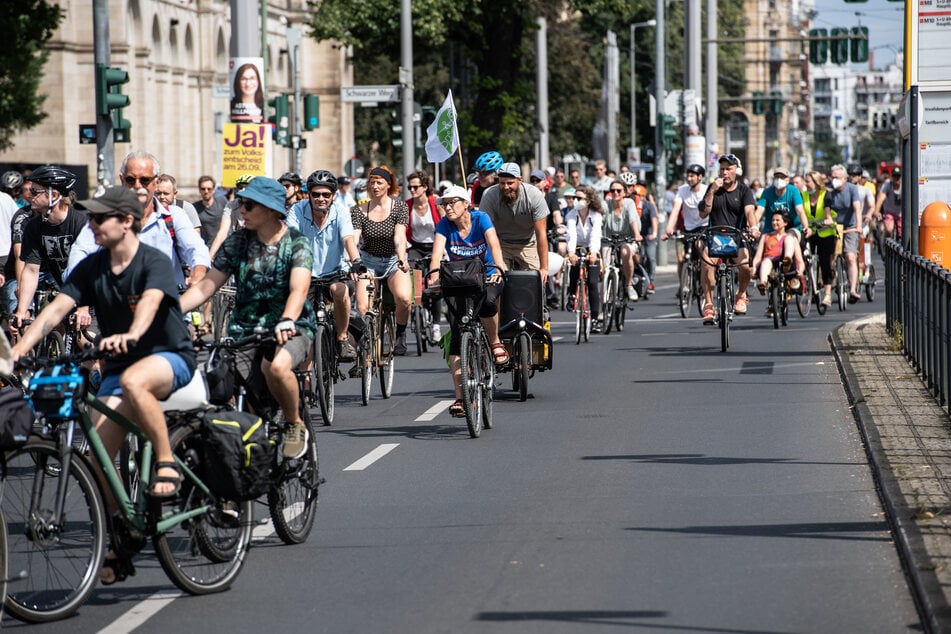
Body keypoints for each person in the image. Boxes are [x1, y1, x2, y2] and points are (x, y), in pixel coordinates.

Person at [10, 186, 199, 585]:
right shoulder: (93, 266)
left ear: (126, 221)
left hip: (167, 357)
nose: (90, 224)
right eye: (90, 218)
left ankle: (165, 460)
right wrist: (17, 351)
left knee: (134, 380)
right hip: (120, 366)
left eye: (99, 218)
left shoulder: (153, 261)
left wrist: (131, 333)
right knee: (97, 460)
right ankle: (123, 533)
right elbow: (56, 309)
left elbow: (150, 302)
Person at [181, 176, 316, 459]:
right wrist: (167, 313)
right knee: (223, 387)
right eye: (241, 203)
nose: (242, 209)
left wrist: (287, 319)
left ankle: (294, 423)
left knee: (276, 367)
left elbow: (299, 288)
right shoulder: (238, 242)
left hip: (292, 327)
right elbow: (207, 286)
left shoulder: (296, 242)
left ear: (270, 209)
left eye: (249, 204)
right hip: (244, 329)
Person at [66, 152, 210, 291]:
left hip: (167, 307)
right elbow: (81, 251)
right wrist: (78, 286)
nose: (137, 185)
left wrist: (198, 272)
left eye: (145, 180)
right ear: (122, 180)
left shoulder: (174, 216)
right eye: (130, 180)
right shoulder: (104, 217)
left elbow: (196, 248)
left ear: (156, 182)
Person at [426, 185, 507, 418]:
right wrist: (433, 274)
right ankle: (460, 397)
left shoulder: (481, 218)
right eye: (444, 203)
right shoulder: (444, 225)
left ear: (466, 204)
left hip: (487, 273)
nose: (448, 207)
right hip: (458, 278)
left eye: (453, 202)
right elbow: (436, 252)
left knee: (489, 303)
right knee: (457, 333)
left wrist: (499, 268)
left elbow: (494, 245)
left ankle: (494, 342)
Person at [286, 169, 363, 362]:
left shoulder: (341, 212)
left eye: (326, 195)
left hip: (334, 272)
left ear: (333, 196)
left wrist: (356, 261)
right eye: (316, 194)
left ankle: (342, 337)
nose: (321, 198)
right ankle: (306, 382)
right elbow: (292, 238)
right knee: (305, 331)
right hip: (305, 274)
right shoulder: (297, 210)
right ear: (309, 194)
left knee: (340, 291)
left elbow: (348, 239)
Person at [13, 165, 91, 335]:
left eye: (35, 192)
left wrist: (84, 308)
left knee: (86, 345)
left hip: (92, 295)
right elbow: (31, 270)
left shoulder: (80, 223)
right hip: (67, 293)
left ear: (53, 195)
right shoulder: (34, 227)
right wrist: (21, 311)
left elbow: (89, 270)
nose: (29, 196)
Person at [351, 165, 412, 356]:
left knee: (403, 299)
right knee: (362, 307)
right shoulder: (360, 210)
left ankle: (400, 334)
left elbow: (400, 236)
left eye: (379, 182)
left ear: (388, 184)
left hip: (393, 260)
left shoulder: (399, 207)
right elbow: (354, 237)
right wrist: (352, 260)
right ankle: (366, 341)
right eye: (372, 182)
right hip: (368, 261)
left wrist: (402, 257)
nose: (375, 186)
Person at [697, 154, 759, 324]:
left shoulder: (744, 190)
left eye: (728, 169)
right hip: (715, 236)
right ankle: (709, 304)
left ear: (736, 171)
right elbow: (703, 212)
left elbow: (749, 212)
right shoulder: (713, 188)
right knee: (706, 263)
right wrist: (711, 191)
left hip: (736, 236)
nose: (724, 173)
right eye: (722, 169)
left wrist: (753, 228)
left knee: (746, 266)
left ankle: (741, 294)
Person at [478, 162, 549, 283]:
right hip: (501, 244)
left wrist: (544, 268)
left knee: (534, 284)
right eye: (502, 183)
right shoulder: (489, 195)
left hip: (528, 243)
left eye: (510, 183)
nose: (505, 187)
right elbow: (485, 231)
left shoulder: (534, 195)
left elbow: (541, 234)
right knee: (495, 283)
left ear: (520, 180)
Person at [663, 164, 710, 292]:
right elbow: (676, 209)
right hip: (687, 228)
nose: (689, 179)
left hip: (703, 227)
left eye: (692, 176)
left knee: (701, 250)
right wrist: (669, 228)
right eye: (688, 176)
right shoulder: (682, 190)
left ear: (700, 177)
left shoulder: (706, 190)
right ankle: (684, 285)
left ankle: (703, 283)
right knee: (682, 259)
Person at [565, 184, 605, 331]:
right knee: (574, 267)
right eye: (575, 197)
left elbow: (596, 235)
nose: (576, 200)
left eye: (579, 198)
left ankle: (594, 319)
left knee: (593, 283)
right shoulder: (571, 215)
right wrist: (570, 253)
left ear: (588, 201)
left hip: (591, 248)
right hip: (577, 247)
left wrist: (594, 252)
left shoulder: (595, 215)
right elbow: (571, 234)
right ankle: (572, 295)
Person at [751, 211, 805, 310]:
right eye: (773, 220)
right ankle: (763, 283)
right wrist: (754, 269)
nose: (774, 222)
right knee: (766, 261)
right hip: (770, 262)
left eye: (777, 220)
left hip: (786, 264)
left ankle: (787, 260)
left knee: (788, 238)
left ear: (785, 223)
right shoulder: (766, 236)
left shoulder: (791, 238)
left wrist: (800, 271)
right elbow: (758, 257)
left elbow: (799, 259)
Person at [827, 164, 864, 303]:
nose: (834, 180)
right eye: (832, 177)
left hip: (850, 225)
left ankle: (853, 289)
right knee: (830, 255)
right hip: (834, 226)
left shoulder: (852, 189)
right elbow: (826, 208)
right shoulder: (830, 191)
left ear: (844, 179)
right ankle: (829, 283)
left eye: (836, 177)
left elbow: (857, 208)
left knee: (850, 256)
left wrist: (859, 226)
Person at [601, 179, 642, 301]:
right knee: (605, 270)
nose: (615, 193)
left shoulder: (629, 203)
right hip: (608, 240)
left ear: (624, 193)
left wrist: (637, 234)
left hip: (628, 239)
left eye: (619, 190)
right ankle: (603, 307)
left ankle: (628, 285)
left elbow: (632, 219)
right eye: (612, 190)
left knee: (625, 252)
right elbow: (599, 220)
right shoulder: (606, 204)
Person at [803, 171, 837, 306]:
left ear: (816, 183)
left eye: (808, 181)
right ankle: (807, 282)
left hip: (825, 232)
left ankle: (828, 294)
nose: (806, 184)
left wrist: (823, 222)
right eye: (805, 181)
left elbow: (829, 217)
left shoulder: (826, 195)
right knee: (803, 256)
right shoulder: (803, 195)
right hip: (809, 232)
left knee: (824, 262)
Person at [755, 166, 811, 239]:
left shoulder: (793, 191)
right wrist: (753, 227)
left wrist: (806, 227)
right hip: (771, 230)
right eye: (776, 177)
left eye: (782, 177)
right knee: (762, 244)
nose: (779, 179)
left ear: (787, 180)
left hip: (792, 229)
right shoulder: (767, 192)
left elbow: (800, 211)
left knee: (788, 241)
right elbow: (759, 211)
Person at [193, 175, 229, 247]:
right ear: (199, 190)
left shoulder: (222, 201)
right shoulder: (194, 208)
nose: (206, 191)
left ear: (214, 190)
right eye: (203, 189)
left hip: (222, 246)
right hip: (205, 247)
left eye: (209, 189)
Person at [874, 167, 902, 241]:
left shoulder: (904, 186)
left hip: (901, 212)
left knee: (902, 232)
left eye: (898, 176)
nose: (896, 179)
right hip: (889, 211)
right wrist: (876, 211)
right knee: (889, 229)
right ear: (891, 177)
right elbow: (880, 198)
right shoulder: (887, 185)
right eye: (894, 176)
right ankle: (887, 244)